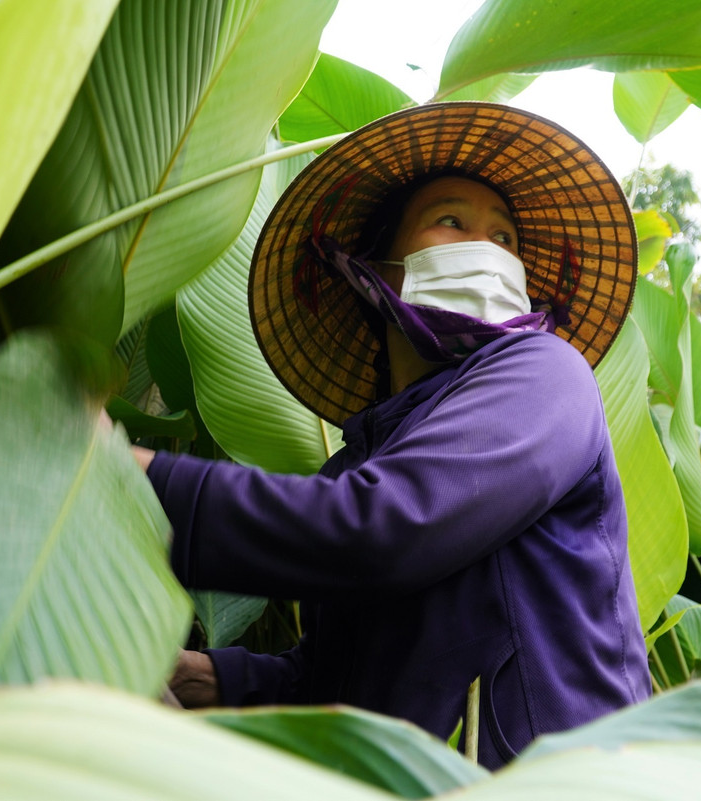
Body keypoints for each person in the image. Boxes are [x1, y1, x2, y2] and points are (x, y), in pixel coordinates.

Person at [131, 102, 648, 769]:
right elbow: (339, 682)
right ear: (378, 270)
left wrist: (137, 477)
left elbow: (384, 529)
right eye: (451, 222)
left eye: (505, 238)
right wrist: (212, 675)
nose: (485, 250)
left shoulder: (544, 373)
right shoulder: (354, 464)